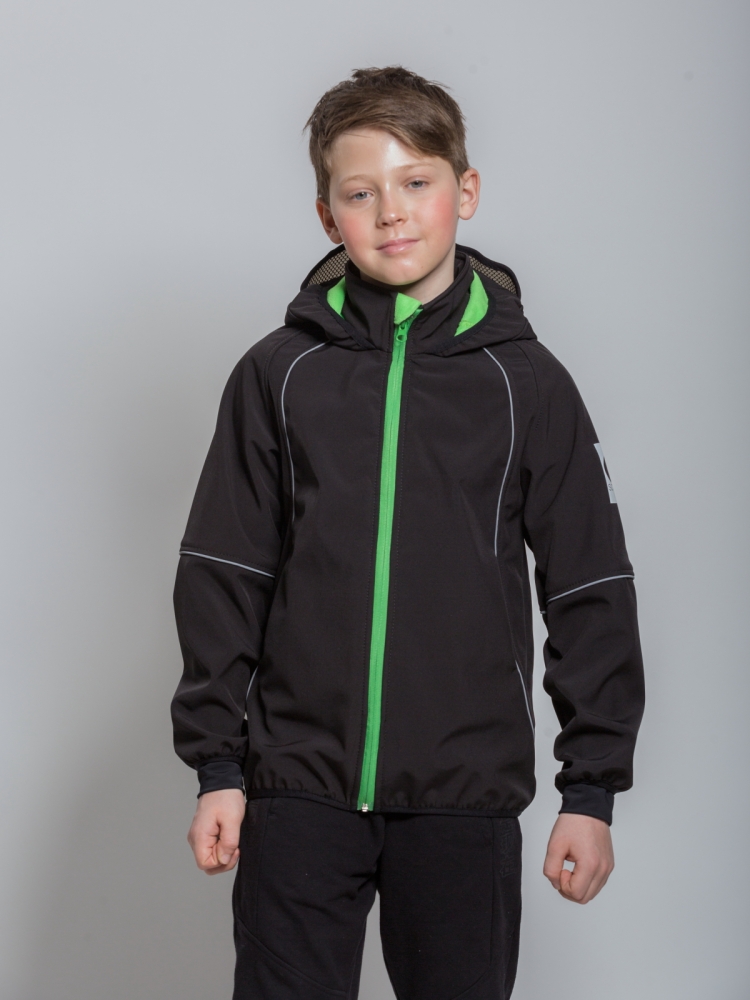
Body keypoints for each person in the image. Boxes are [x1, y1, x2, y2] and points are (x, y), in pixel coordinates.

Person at [170, 66, 645, 1000]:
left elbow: (588, 586)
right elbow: (224, 572)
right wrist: (218, 767)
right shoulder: (278, 374)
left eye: (416, 181)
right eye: (361, 193)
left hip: (464, 798)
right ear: (327, 217)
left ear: (465, 191)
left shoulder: (528, 383)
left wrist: (591, 790)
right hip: (297, 792)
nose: (391, 212)